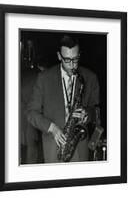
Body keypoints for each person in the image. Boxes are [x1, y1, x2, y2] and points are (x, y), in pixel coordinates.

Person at [26, 35, 100, 163]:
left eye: (75, 59)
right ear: (59, 56)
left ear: (79, 55)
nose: (72, 65)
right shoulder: (44, 79)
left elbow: (97, 112)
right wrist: (52, 128)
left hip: (80, 151)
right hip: (53, 149)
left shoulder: (90, 77)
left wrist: (88, 114)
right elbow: (30, 113)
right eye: (67, 60)